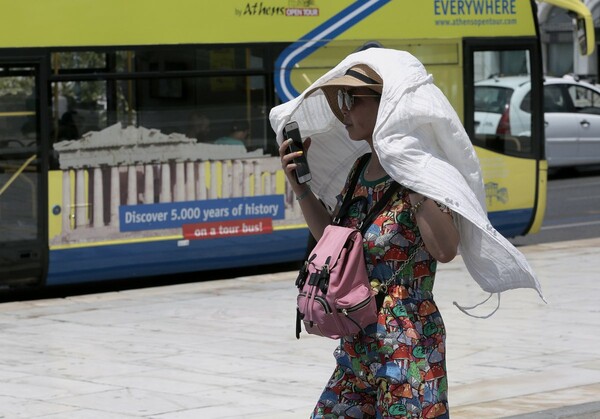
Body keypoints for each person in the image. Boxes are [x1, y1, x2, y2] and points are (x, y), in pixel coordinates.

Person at [271, 48, 543, 418]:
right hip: (357, 344)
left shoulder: (427, 170)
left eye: (352, 98)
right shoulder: (360, 168)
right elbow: (336, 244)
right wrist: (300, 189)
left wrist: (410, 176)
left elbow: (445, 249)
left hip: (409, 345)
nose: (344, 109)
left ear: (389, 104)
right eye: (340, 100)